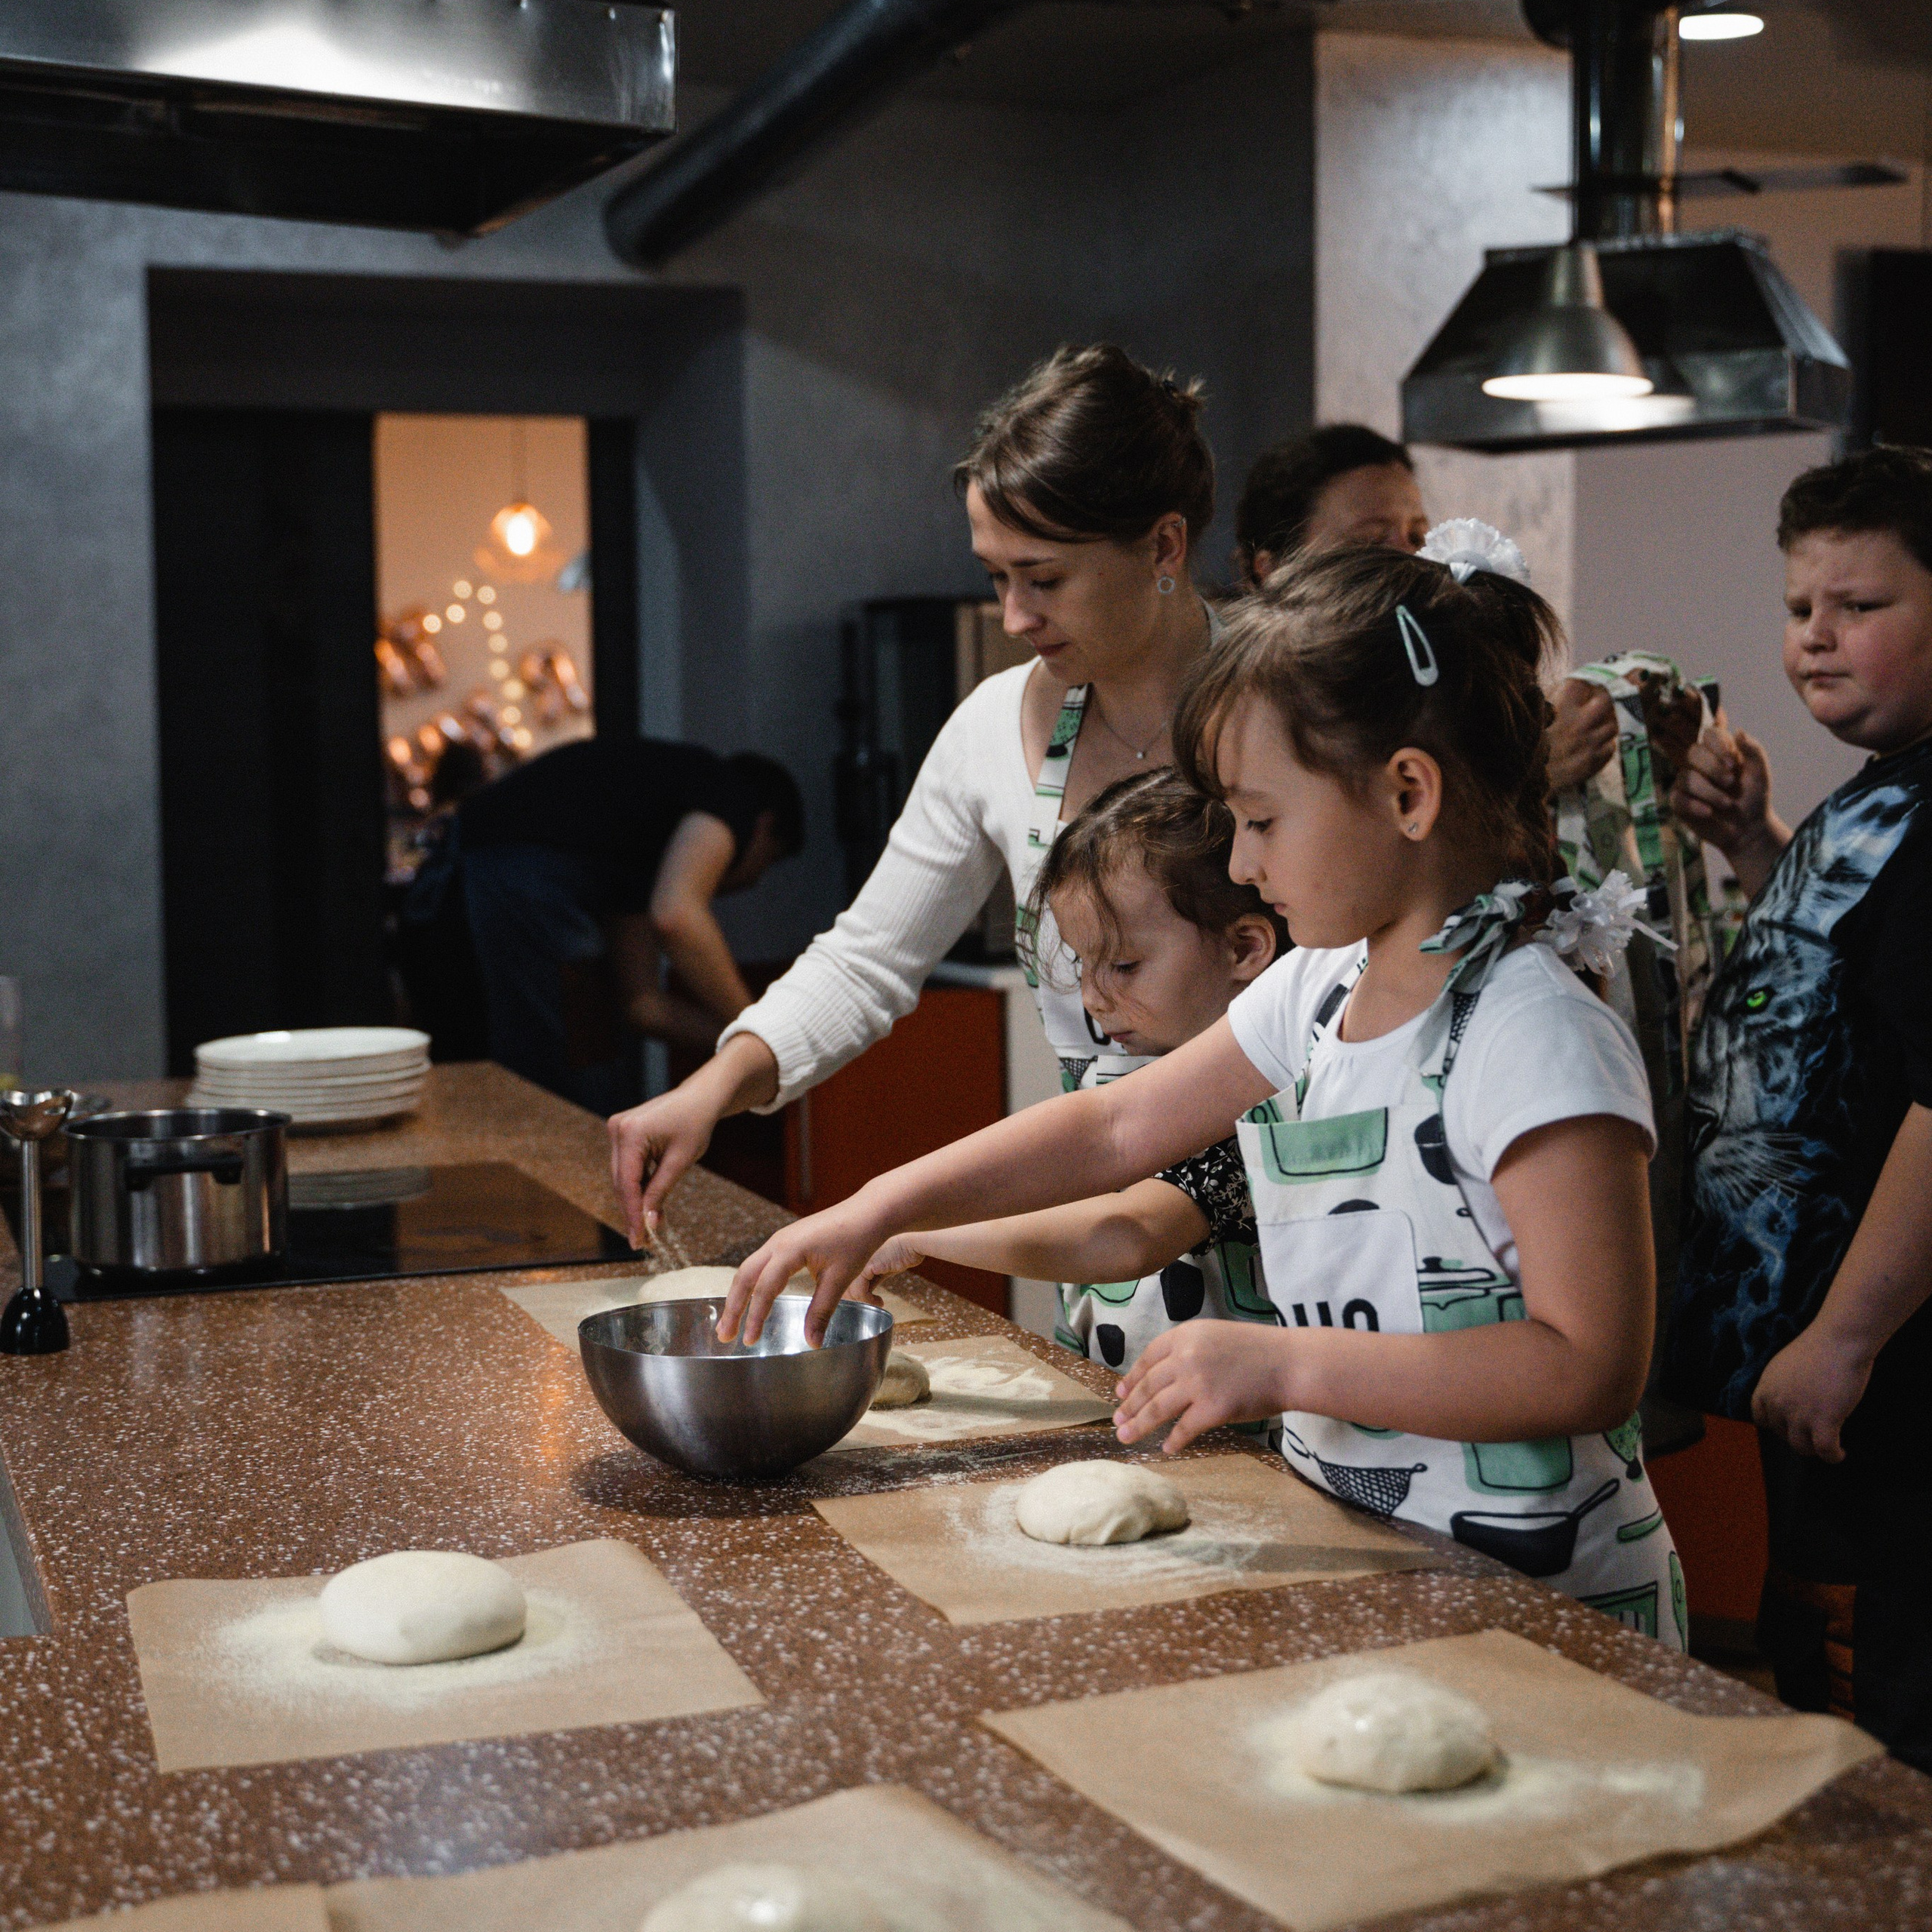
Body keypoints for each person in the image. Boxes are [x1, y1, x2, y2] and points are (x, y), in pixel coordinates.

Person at [724, 533, 1685, 1647]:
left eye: (1262, 820)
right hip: (1370, 1561)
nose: (1239, 865)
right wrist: (885, 1202)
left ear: (1408, 793)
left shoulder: (1534, 1033)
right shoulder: (1322, 987)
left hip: (1546, 1606)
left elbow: (1587, 1363)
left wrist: (1285, 1362)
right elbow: (1116, 1123)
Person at [608, 344, 1220, 1244]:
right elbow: (868, 960)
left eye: (1043, 578)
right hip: (1104, 1233)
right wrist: (714, 1085)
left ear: (1164, 545)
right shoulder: (992, 726)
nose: (1014, 617)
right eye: (996, 577)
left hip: (1313, 1222)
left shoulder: (1281, 707)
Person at [1664, 446, 1932, 1763]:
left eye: (1860, 606)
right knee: (1810, 1652)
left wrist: (1843, 1336)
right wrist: (1753, 845)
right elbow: (1851, 982)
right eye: (1799, 608)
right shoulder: (1887, 791)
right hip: (1829, 1373)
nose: (1816, 636)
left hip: (1887, 1377)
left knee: (1875, 1698)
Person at [856, 769, 1284, 1372]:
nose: (1091, 998)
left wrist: (915, 1232)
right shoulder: (1126, 1067)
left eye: (1124, 965)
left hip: (1228, 1419)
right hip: (1120, 1391)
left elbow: (1128, 1234)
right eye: (1083, 963)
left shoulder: (1258, 1092)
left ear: (1243, 949)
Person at [1233, 425, 1687, 798]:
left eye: (1417, 536)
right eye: (1370, 542)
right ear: (1271, 571)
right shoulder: (1246, 714)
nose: (1410, 560)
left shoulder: (1441, 673)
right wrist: (1532, 774)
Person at [452, 736, 804, 1112]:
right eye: (767, 863)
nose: (752, 881)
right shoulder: (731, 793)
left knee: (577, 1058)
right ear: (764, 826)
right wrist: (766, 1037)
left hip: (495, 855)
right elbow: (677, 916)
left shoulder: (633, 846)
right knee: (575, 1057)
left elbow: (643, 1007)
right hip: (520, 858)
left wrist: (740, 1046)